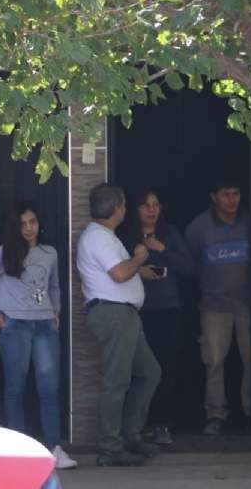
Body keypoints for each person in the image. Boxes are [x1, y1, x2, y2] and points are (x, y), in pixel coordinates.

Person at [0, 201, 77, 470]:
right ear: (15, 228)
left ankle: (54, 448)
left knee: (49, 389)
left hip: (45, 326)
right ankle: (19, 452)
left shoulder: (49, 253)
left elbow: (54, 286)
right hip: (15, 325)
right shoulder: (4, 253)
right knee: (15, 387)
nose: (29, 228)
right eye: (23, 224)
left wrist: (56, 311)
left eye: (33, 222)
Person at [77, 183, 161, 467]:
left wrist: (140, 270)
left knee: (149, 373)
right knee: (117, 381)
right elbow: (119, 273)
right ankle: (110, 447)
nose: (126, 208)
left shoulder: (103, 236)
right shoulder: (99, 238)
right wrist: (138, 258)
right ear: (116, 208)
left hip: (123, 315)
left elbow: (121, 271)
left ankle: (130, 436)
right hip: (114, 315)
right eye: (124, 204)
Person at [121, 189, 193, 445]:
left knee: (166, 367)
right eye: (145, 205)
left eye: (155, 204)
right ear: (135, 210)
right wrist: (139, 268)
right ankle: (137, 425)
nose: (151, 210)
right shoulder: (126, 237)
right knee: (138, 370)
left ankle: (162, 423)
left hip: (168, 309)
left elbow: (188, 267)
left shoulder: (170, 234)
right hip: (138, 310)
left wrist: (161, 248)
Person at [185, 179, 251, 435]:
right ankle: (215, 415)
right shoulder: (199, 226)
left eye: (236, 193)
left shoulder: (250, 221)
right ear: (214, 197)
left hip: (248, 304)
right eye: (226, 194)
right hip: (213, 306)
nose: (232, 199)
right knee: (213, 361)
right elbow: (189, 263)